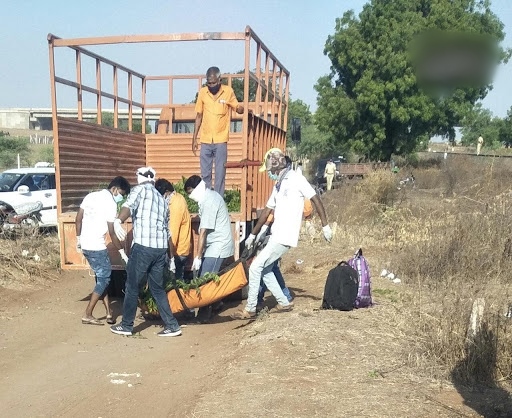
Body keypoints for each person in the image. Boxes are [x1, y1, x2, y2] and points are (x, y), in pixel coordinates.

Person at [231, 148, 333, 319]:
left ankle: (250, 308)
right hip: (277, 233)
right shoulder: (278, 184)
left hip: (285, 235)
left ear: (276, 166)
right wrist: (253, 235)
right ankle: (284, 302)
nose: (269, 173)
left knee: (256, 267)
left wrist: (325, 226)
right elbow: (266, 211)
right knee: (266, 270)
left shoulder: (296, 179)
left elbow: (316, 199)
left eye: (270, 170)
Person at [110, 167, 182, 337]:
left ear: (139, 178)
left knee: (132, 286)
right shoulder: (161, 198)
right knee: (157, 289)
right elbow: (167, 230)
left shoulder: (139, 190)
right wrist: (170, 258)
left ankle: (126, 326)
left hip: (143, 247)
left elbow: (128, 206)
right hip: (160, 249)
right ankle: (172, 326)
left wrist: (117, 221)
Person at [75, 176, 131, 326]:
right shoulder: (110, 203)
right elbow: (112, 233)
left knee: (101, 278)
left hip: (86, 245)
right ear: (114, 189)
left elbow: (78, 219)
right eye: (121, 193)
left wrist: (78, 239)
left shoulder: (90, 196)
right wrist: (122, 252)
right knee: (105, 279)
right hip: (97, 246)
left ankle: (108, 312)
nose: (121, 197)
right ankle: (88, 314)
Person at [184, 175, 234, 320]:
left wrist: (198, 257)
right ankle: (217, 304)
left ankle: (203, 315)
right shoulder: (208, 197)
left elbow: (203, 231)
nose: (190, 196)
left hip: (219, 245)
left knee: (205, 279)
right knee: (212, 276)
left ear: (198, 188)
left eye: (190, 192)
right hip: (215, 244)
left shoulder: (209, 201)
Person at [192, 66, 244, 197]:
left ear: (220, 80)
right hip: (205, 139)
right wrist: (194, 138)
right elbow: (198, 116)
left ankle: (219, 201)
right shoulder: (203, 93)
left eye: (214, 83)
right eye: (209, 83)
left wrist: (241, 109)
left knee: (220, 173)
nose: (211, 85)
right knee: (205, 174)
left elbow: (236, 106)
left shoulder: (228, 92)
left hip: (221, 139)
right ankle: (207, 201)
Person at [155, 178, 191, 280]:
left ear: (166, 192)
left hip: (176, 252)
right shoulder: (178, 197)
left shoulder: (175, 204)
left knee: (172, 284)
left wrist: (169, 256)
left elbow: (172, 233)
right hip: (177, 250)